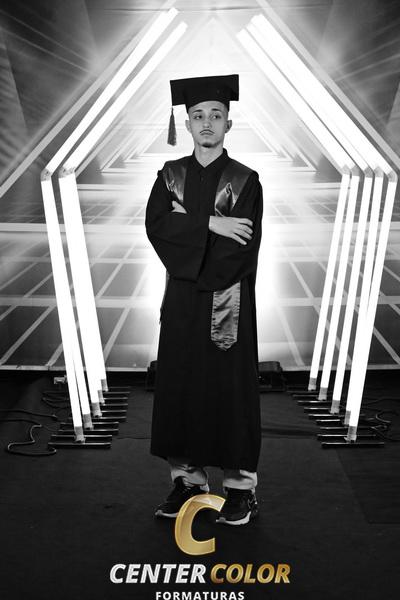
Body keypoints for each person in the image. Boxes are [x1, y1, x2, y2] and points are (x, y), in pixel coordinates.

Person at [145, 74, 263, 526]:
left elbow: (240, 249)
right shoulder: (169, 176)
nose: (207, 122)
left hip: (226, 304)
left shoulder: (245, 181)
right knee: (180, 390)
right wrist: (211, 224)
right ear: (188, 124)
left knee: (228, 394)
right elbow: (157, 228)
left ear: (229, 123)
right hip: (181, 306)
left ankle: (240, 488)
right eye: (198, 116)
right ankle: (188, 481)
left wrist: (187, 229)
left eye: (216, 115)